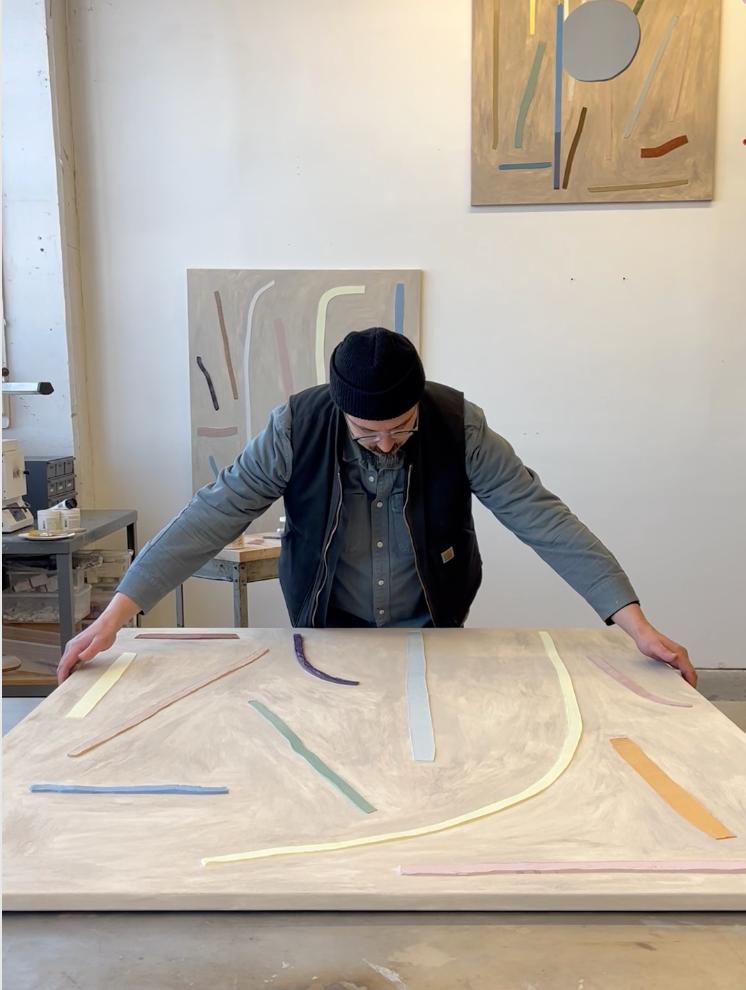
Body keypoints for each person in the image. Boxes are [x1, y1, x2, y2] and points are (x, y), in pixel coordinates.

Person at [57, 327, 696, 686]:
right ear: (341, 411)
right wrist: (117, 614)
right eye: (368, 434)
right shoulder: (296, 429)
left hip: (432, 632)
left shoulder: (457, 425)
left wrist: (634, 623)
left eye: (400, 427)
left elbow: (541, 516)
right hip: (324, 631)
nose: (386, 443)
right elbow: (213, 514)